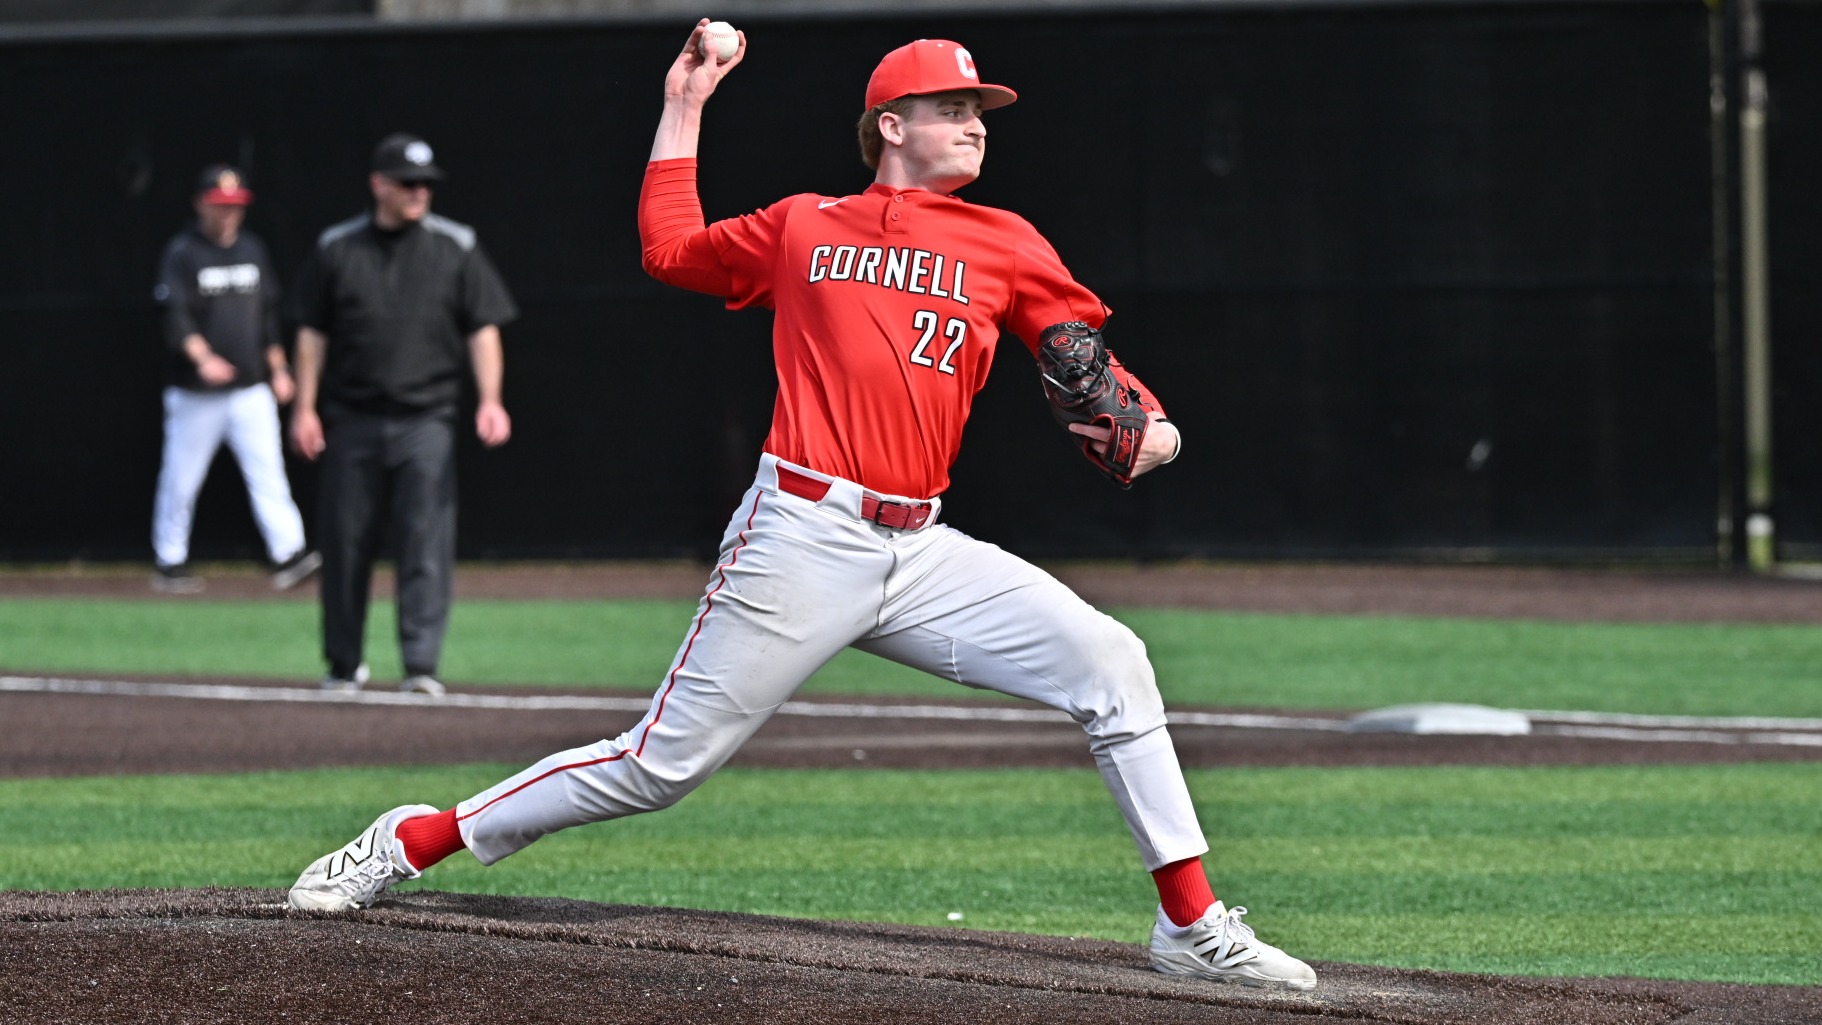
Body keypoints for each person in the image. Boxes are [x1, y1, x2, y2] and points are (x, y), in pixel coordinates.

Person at [287, 27, 1317, 992]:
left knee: (1114, 662)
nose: (977, 121)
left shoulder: (1006, 241)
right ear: (890, 126)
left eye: (980, 107)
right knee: (658, 765)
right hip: (801, 534)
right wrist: (683, 100)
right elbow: (669, 246)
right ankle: (411, 838)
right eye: (952, 105)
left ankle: (1187, 923)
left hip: (922, 548)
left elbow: (1097, 372)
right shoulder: (803, 225)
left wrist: (1158, 430)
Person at [288, 133, 517, 696]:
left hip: (427, 419)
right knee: (344, 545)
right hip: (353, 419)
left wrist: (490, 400)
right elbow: (311, 333)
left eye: (426, 185)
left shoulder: (456, 245)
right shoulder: (338, 248)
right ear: (379, 185)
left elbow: (483, 329)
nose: (420, 193)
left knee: (425, 543)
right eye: (409, 183)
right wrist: (305, 407)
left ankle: (421, 666)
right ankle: (343, 666)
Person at [151, 164, 320, 595]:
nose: (229, 214)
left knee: (269, 473)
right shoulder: (183, 252)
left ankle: (289, 554)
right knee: (182, 479)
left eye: (235, 206)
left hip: (250, 389)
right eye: (220, 205)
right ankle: (169, 561)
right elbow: (176, 316)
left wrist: (279, 369)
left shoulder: (252, 249)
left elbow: (267, 317)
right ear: (201, 203)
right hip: (197, 393)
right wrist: (203, 357)